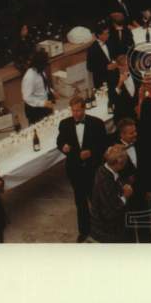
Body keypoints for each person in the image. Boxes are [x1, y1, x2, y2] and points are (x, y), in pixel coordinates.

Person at [57, 94, 108, 242]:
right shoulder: (64, 124)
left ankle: (102, 228)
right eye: (73, 111)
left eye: (78, 111)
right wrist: (63, 147)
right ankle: (84, 231)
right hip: (75, 170)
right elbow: (60, 141)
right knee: (80, 202)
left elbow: (104, 144)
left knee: (96, 200)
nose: (76, 114)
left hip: (93, 169)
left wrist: (91, 152)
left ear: (84, 109)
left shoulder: (97, 123)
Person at [106, 117, 151, 243]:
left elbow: (148, 168)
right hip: (125, 196)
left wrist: (149, 189)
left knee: (145, 228)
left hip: (142, 193)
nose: (135, 134)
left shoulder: (142, 143)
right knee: (127, 230)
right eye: (131, 133)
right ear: (122, 134)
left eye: (135, 131)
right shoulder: (113, 150)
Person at [89, 144, 133, 243]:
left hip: (106, 229)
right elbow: (110, 210)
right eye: (124, 163)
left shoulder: (103, 170)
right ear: (119, 163)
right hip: (107, 232)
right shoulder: (106, 180)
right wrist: (125, 196)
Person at [21, 48, 55, 125]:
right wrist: (43, 103)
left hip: (45, 105)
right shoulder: (29, 77)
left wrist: (52, 92)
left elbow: (43, 86)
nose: (46, 66)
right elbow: (26, 97)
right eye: (45, 64)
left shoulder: (41, 70)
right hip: (35, 110)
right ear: (39, 63)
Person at [85, 24, 115, 90]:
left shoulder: (110, 42)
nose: (108, 35)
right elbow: (90, 67)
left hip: (113, 77)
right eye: (106, 34)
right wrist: (105, 67)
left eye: (108, 33)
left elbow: (113, 55)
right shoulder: (92, 49)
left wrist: (115, 62)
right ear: (99, 35)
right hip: (102, 80)